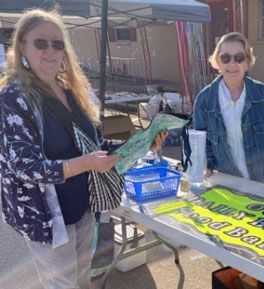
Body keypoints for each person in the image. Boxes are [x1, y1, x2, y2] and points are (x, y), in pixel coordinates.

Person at [0, 9, 165, 289]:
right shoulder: (13, 98)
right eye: (41, 43)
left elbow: (94, 145)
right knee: (64, 286)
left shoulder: (71, 89)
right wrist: (87, 163)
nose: (51, 50)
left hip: (82, 207)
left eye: (58, 43)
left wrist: (142, 141)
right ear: (22, 47)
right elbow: (25, 167)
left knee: (83, 281)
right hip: (46, 218)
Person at [193, 32, 264, 183]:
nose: (232, 64)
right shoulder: (204, 99)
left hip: (263, 180)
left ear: (246, 62)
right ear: (218, 62)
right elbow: (202, 141)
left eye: (239, 58)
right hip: (227, 181)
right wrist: (208, 166)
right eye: (225, 58)